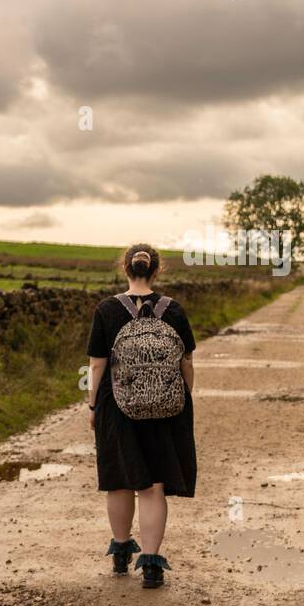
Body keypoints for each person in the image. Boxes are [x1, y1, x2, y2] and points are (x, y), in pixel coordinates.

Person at [86, 243, 197, 588]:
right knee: (154, 485)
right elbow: (187, 363)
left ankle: (121, 552)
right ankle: (151, 566)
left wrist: (93, 405)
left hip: (116, 405)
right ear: (157, 270)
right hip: (165, 407)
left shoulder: (107, 309)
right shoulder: (173, 310)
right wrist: (182, 398)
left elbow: (97, 364)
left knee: (120, 478)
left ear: (126, 269)